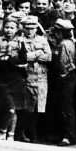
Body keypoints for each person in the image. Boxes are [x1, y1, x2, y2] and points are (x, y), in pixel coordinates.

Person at [0, 17, 30, 139]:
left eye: (12, 28)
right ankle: (2, 131)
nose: (9, 30)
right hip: (2, 79)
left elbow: (24, 59)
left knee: (14, 109)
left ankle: (10, 135)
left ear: (16, 29)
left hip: (16, 79)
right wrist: (4, 61)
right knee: (8, 109)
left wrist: (9, 60)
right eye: (7, 27)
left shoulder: (20, 43)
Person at [17, 14, 51, 142]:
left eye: (32, 27)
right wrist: (37, 53)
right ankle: (22, 134)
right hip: (26, 77)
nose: (30, 30)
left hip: (41, 78)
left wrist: (32, 56)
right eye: (27, 27)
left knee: (38, 108)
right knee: (26, 108)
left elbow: (49, 57)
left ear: (37, 28)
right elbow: (22, 57)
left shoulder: (42, 40)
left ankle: (33, 135)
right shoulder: (20, 40)